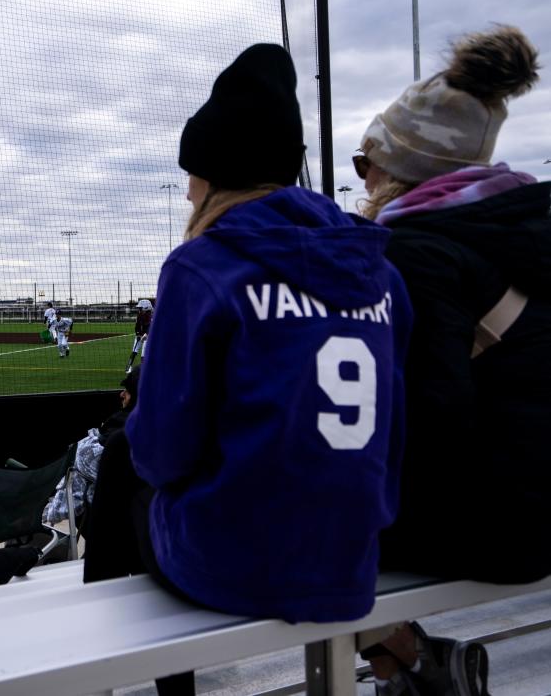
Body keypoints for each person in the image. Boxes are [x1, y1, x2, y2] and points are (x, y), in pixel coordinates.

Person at [85, 45, 411, 696]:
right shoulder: (380, 271)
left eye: (193, 173)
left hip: (234, 566)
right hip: (351, 562)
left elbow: (163, 456)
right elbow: (393, 438)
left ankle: (114, 673)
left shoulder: (201, 267)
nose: (185, 188)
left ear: (216, 176)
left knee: (122, 462)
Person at [354, 25, 544, 694]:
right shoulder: (515, 228)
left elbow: (435, 415)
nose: (363, 176)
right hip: (532, 505)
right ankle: (404, 665)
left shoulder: (417, 253)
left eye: (364, 160)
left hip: (505, 529)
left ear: (402, 169)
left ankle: (408, 659)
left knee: (294, 523)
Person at [43, 368, 140, 539]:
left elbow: (85, 459)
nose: (122, 395)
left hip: (115, 522)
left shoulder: (121, 435)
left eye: (128, 391)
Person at [127, 300, 154, 373]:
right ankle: (128, 367)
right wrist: (138, 334)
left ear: (145, 307)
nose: (139, 309)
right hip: (140, 335)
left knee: (144, 353)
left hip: (147, 336)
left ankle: (143, 369)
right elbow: (137, 326)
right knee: (134, 351)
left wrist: (146, 334)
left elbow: (151, 327)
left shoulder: (151, 316)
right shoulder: (139, 315)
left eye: (140, 308)